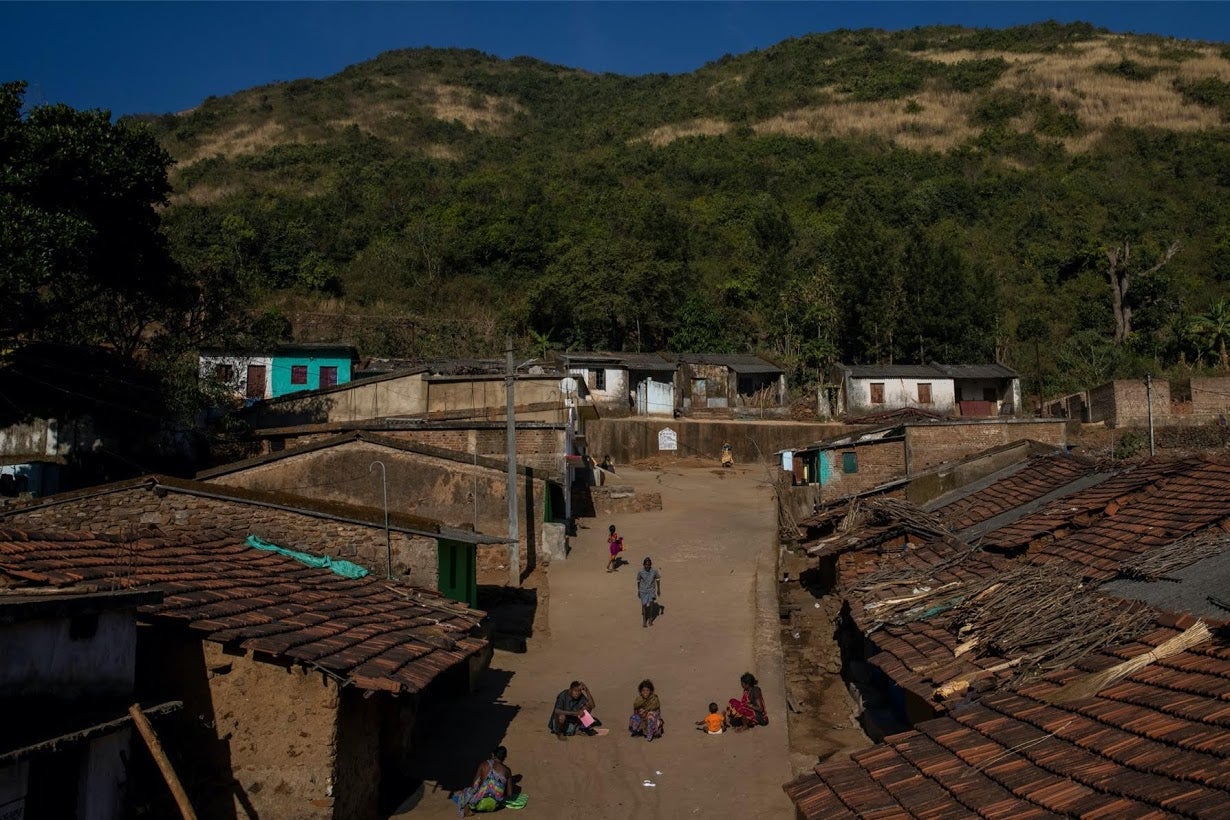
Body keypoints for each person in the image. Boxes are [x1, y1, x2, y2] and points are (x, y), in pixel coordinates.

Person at [451, 746, 512, 815]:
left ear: (493, 754)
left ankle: (469, 808)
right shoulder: (507, 771)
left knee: (458, 794)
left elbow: (474, 785)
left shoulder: (483, 764)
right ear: (505, 757)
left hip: (477, 803)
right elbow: (509, 795)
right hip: (495, 806)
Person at [636, 557, 661, 627]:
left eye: (649, 565)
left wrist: (658, 590)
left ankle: (650, 620)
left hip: (651, 590)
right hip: (643, 590)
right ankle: (644, 620)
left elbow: (658, 579)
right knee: (644, 605)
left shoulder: (654, 571)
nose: (647, 566)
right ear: (644, 565)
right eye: (646, 565)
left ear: (650, 565)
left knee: (651, 605)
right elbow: (638, 581)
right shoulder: (640, 572)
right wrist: (638, 591)